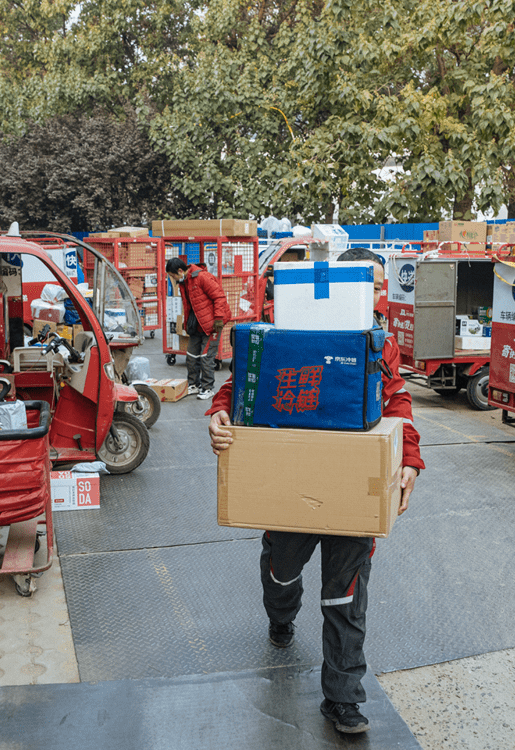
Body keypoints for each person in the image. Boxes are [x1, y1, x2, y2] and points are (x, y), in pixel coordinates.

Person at [206, 248, 423, 734]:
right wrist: (220, 413)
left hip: (351, 488)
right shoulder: (280, 332)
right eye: (372, 286)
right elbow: (241, 384)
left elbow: (398, 400)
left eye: (379, 288)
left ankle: (343, 698)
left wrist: (408, 460)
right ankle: (280, 617)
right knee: (282, 574)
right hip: (288, 484)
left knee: (345, 595)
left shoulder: (376, 342)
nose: (378, 298)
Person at [165, 257, 229, 400]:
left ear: (180, 271)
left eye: (172, 275)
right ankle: (193, 384)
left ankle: (207, 388)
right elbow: (190, 306)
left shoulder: (202, 277)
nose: (172, 278)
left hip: (212, 324)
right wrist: (187, 323)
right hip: (197, 325)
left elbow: (219, 297)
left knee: (206, 357)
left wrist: (218, 318)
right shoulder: (184, 282)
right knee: (192, 356)